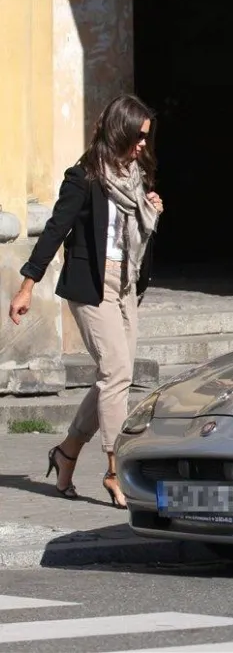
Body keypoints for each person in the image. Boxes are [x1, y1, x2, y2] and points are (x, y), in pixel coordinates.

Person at [7, 93, 164, 509]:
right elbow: (55, 230)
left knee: (115, 376)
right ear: (119, 132)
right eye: (138, 136)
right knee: (116, 373)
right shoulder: (84, 177)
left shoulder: (135, 177)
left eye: (146, 137)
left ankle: (66, 452)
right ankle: (114, 470)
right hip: (93, 286)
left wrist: (150, 210)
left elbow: (134, 235)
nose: (143, 144)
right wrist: (27, 286)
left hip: (126, 283)